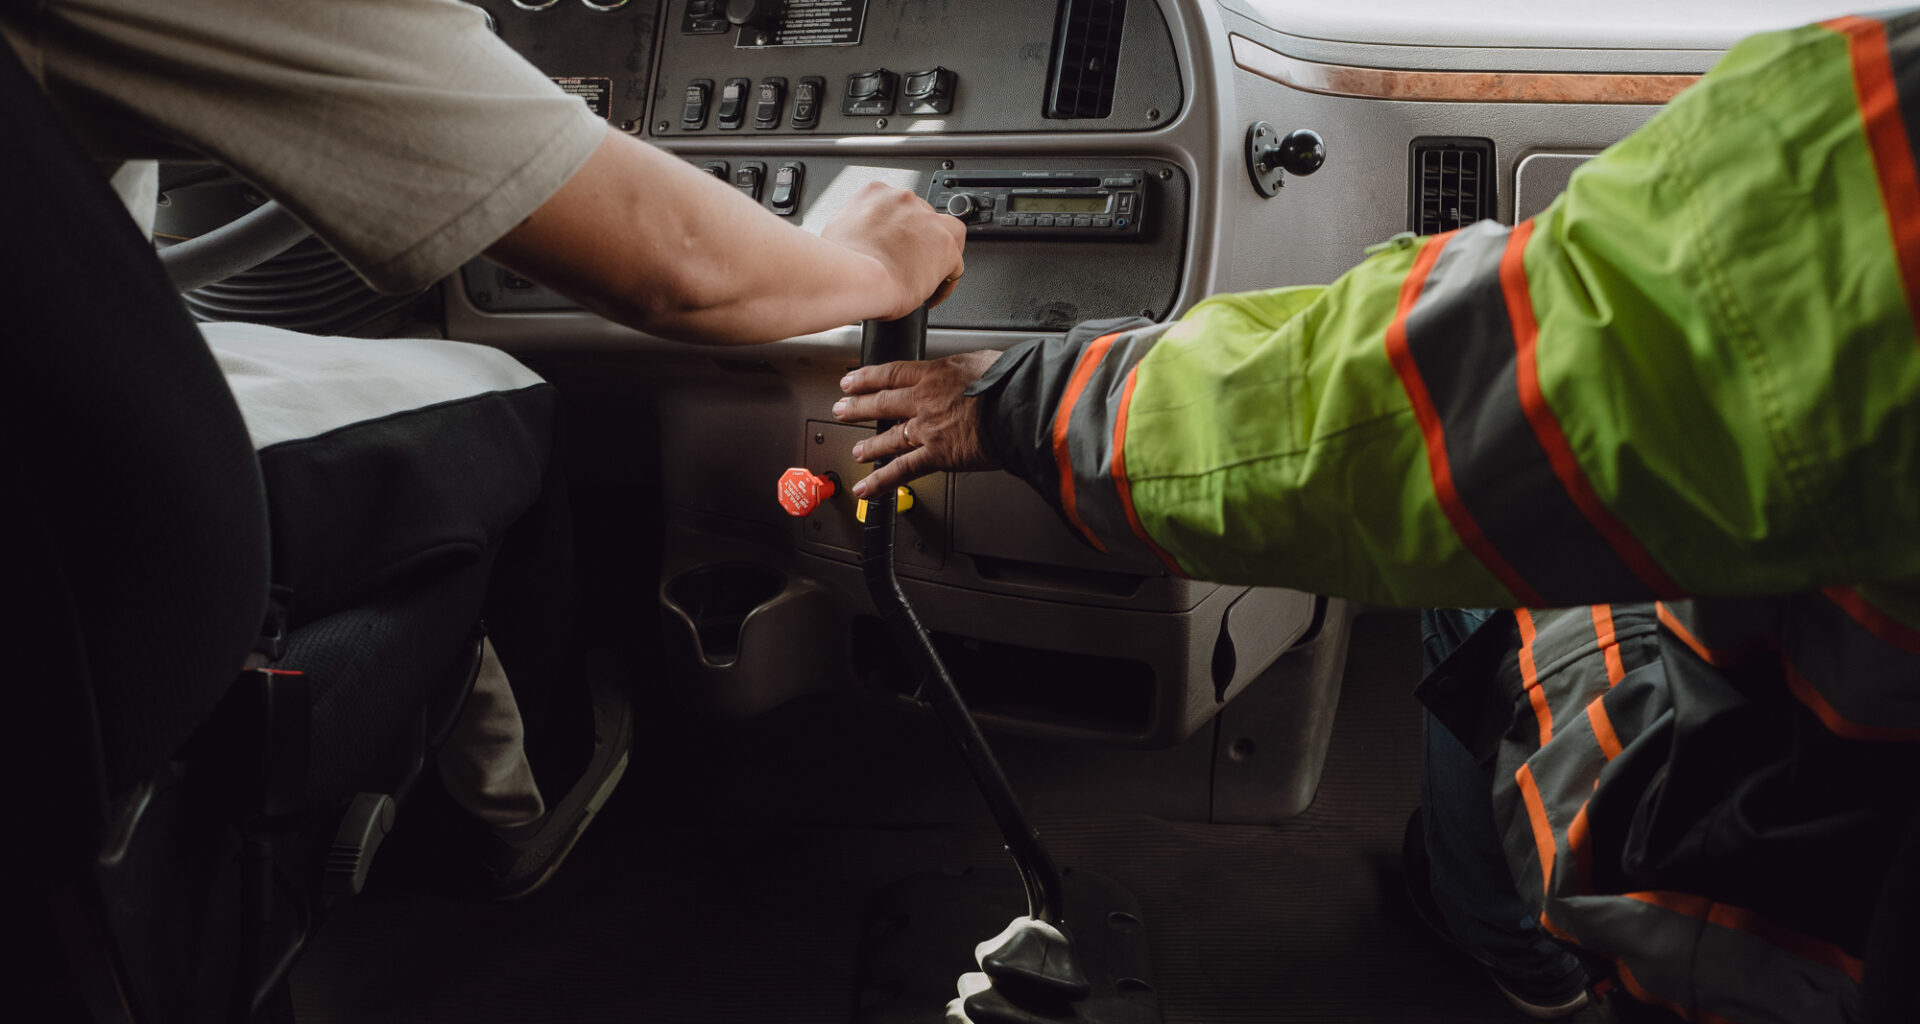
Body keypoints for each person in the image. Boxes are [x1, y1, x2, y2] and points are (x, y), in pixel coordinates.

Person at [833, 10, 1920, 1023]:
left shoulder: (1882, 145)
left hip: (1781, 905)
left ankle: (1512, 942)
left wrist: (1027, 400)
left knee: (1492, 565)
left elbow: (1419, 418)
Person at [4, 0, 965, 898]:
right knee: (509, 401)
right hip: (85, 556)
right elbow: (675, 259)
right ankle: (532, 795)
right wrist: (875, 263)